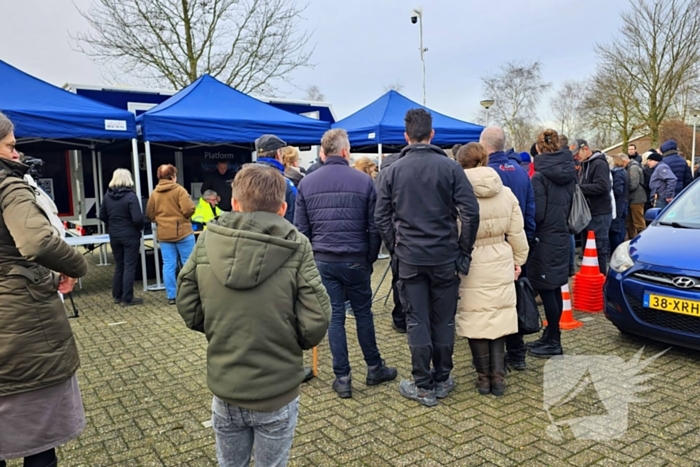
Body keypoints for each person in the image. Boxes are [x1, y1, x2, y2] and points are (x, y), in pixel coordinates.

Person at [176, 164, 330, 467]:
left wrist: (218, 329)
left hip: (226, 381)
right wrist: (291, 339)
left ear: (234, 203)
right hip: (277, 386)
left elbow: (187, 303)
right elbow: (316, 319)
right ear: (283, 208)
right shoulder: (297, 245)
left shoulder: (207, 240)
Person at [0, 112, 89, 467]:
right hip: (18, 334)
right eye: (10, 146)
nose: (16, 154)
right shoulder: (8, 186)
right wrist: (75, 266)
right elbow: (36, 242)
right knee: (38, 446)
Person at [375, 109, 480, 407]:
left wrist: (395, 247)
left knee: (417, 318)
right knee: (443, 318)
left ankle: (423, 383)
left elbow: (380, 217)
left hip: (411, 257)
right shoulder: (450, 168)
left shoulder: (391, 171)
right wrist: (463, 250)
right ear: (432, 134)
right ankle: (442, 377)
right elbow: (470, 213)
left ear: (406, 136)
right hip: (444, 256)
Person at [295, 128, 397, 399]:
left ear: (322, 153)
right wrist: (370, 257)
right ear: (344, 151)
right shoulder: (363, 182)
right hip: (356, 259)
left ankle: (342, 378)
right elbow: (375, 226)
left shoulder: (307, 183)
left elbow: (301, 230)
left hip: (324, 260)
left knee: (335, 318)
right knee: (363, 314)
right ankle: (374, 367)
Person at [455, 143, 529, 396]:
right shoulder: (506, 193)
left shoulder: (455, 193)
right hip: (500, 256)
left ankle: (482, 378)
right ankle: (498, 378)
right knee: (498, 318)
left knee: (476, 318)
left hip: (471, 260)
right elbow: (517, 232)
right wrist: (518, 261)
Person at [479, 127, 535, 371]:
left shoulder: (485, 175)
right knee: (516, 301)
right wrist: (523, 248)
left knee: (494, 305)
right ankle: (517, 353)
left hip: (493, 250)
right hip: (518, 246)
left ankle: (495, 359)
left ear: (484, 146)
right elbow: (531, 213)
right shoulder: (522, 173)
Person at [527, 129, 576, 358]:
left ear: (538, 148)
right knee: (555, 288)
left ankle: (554, 341)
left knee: (548, 291)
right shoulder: (569, 172)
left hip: (545, 238)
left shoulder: (540, 176)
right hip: (562, 236)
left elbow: (538, 214)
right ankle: (551, 334)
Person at [146, 164, 196, 305]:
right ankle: (190, 293)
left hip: (164, 234)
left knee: (168, 265)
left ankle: (171, 296)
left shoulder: (154, 193)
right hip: (183, 233)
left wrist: (159, 220)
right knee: (188, 264)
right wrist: (183, 217)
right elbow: (189, 208)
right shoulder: (179, 190)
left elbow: (149, 213)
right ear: (173, 176)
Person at [99, 168, 145, 306]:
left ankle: (117, 295)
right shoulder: (131, 196)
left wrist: (113, 224)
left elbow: (102, 215)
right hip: (130, 234)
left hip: (114, 234)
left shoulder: (107, 196)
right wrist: (139, 228)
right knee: (129, 266)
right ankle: (127, 298)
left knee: (119, 265)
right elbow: (137, 218)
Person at [374, 152, 406, 334]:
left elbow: (379, 213)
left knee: (399, 279)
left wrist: (390, 241)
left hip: (396, 235)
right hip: (406, 234)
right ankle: (403, 318)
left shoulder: (384, 174)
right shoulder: (403, 171)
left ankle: (400, 319)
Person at [572, 139, 612, 274]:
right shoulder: (585, 165)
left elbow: (603, 186)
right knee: (588, 249)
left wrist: (579, 189)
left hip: (599, 213)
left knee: (599, 249)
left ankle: (601, 280)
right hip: (589, 213)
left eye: (577, 154)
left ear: (585, 149)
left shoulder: (599, 164)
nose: (576, 157)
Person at [255, 135, 297, 224]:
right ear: (278, 154)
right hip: (279, 235)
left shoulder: (244, 180)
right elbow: (295, 216)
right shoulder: (284, 183)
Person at [622, 154, 646, 240]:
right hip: (633, 198)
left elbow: (633, 184)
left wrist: (624, 190)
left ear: (624, 161)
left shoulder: (633, 168)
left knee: (638, 221)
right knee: (631, 222)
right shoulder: (631, 167)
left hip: (636, 198)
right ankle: (633, 239)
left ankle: (642, 239)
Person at [609, 155, 629, 254]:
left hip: (619, 204)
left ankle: (616, 251)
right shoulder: (622, 172)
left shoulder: (618, 173)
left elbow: (618, 190)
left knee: (615, 229)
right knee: (620, 227)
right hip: (623, 203)